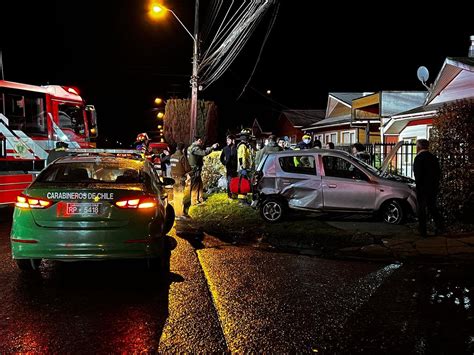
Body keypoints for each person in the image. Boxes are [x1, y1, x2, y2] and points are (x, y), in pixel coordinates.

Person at [413, 139, 444, 238]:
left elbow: (418, 175)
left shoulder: (418, 158)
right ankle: (440, 227)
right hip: (433, 187)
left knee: (422, 209)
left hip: (422, 188)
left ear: (419, 147)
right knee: (432, 207)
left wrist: (417, 185)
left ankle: (423, 231)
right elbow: (438, 173)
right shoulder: (433, 157)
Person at [187, 136, 219, 205]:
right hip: (195, 169)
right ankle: (194, 201)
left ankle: (200, 198)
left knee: (199, 183)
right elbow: (203, 153)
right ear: (198, 140)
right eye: (201, 141)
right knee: (195, 185)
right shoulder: (194, 148)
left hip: (195, 169)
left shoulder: (190, 147)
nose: (201, 142)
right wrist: (212, 147)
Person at [170, 142, 192, 218]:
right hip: (180, 179)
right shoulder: (182, 157)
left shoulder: (172, 156)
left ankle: (176, 213)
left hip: (173, 179)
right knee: (180, 196)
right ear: (183, 149)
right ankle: (179, 214)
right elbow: (187, 169)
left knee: (175, 196)